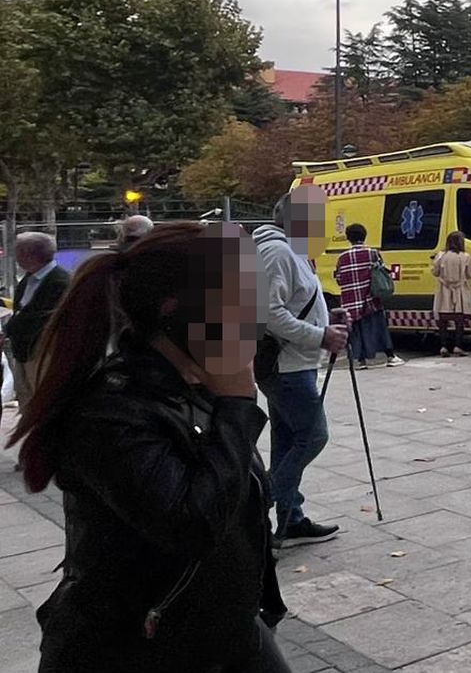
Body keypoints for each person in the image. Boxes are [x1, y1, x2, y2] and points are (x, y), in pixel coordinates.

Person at [5, 223, 290, 672]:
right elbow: (191, 523)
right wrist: (237, 408)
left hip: (223, 628)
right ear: (175, 310)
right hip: (137, 647)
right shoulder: (111, 411)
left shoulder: (196, 385)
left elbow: (238, 506)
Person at [254, 186, 346, 547]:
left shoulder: (290, 250)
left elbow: (293, 303)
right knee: (312, 436)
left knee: (288, 440)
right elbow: (268, 312)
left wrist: (327, 318)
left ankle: (290, 521)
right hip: (286, 365)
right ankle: (261, 504)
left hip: (293, 362)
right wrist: (321, 335)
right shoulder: (277, 251)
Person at [2, 232, 72, 419]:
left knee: (44, 402)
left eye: (18, 252)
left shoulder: (60, 282)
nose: (15, 257)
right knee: (26, 401)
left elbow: (37, 318)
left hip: (42, 352)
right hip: (23, 351)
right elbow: (21, 311)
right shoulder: (27, 279)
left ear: (31, 254)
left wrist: (9, 328)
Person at [333, 224, 404, 369]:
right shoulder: (372, 253)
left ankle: (360, 361)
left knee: (357, 332)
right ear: (364, 236)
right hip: (370, 299)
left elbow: (339, 278)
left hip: (351, 302)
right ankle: (390, 356)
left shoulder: (342, 257)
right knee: (379, 328)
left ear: (348, 238)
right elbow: (381, 272)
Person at [431, 231, 471, 357]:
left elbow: (435, 272)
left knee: (443, 320)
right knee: (459, 321)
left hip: (444, 290)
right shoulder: (466, 257)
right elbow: (469, 274)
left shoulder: (441, 256)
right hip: (459, 291)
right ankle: (458, 346)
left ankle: (444, 347)